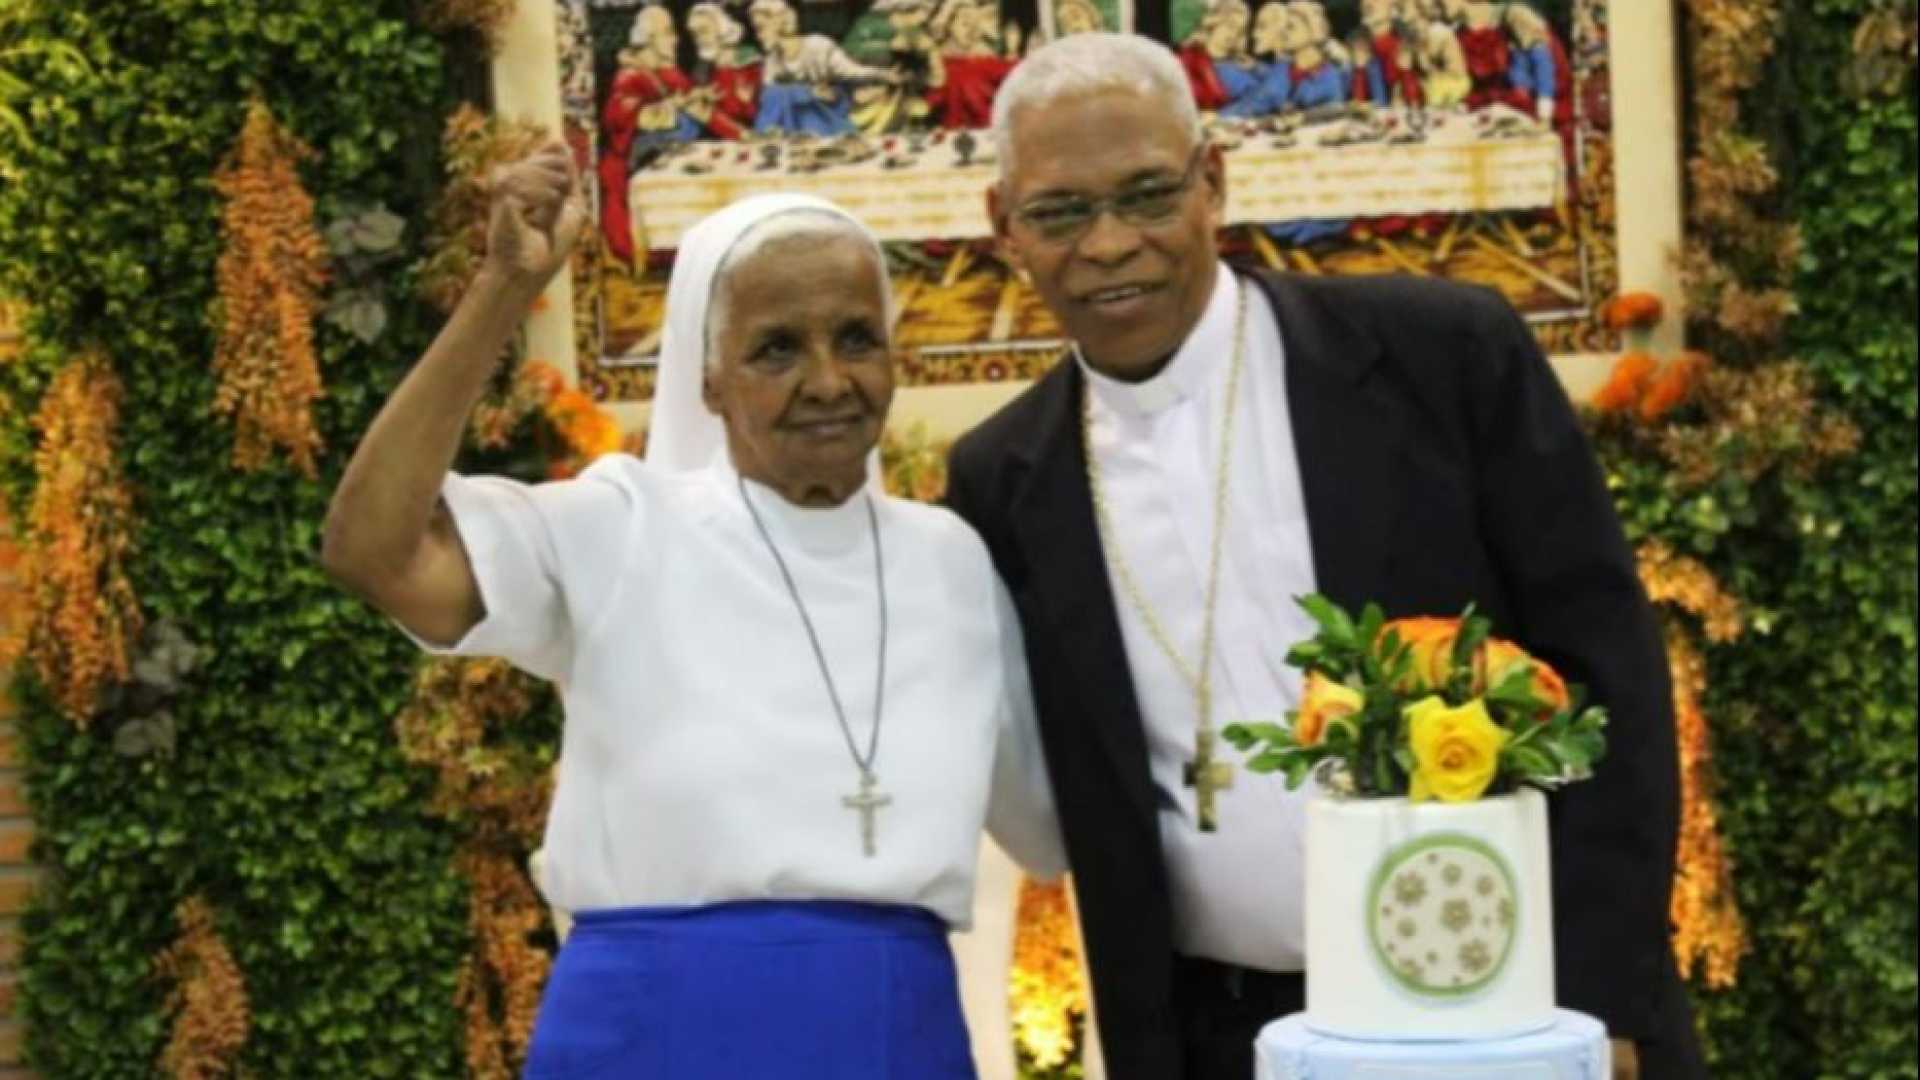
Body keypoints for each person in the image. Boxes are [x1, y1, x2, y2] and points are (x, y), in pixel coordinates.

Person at [947, 31, 1706, 1080]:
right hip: (1214, 1034)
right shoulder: (1002, 478)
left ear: (1213, 182)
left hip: (1504, 998)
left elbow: (1606, 672)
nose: (1110, 243)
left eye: (1149, 195)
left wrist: (1598, 1008)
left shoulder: (1440, 357)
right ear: (1004, 227)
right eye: (1060, 212)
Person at [320, 145, 1065, 1077]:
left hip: (890, 1038)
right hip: (650, 1036)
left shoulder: (952, 562)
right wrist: (502, 291)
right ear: (709, 380)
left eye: (857, 338)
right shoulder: (621, 526)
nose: (828, 381)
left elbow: (1052, 824)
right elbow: (374, 551)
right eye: (777, 349)